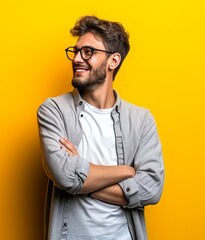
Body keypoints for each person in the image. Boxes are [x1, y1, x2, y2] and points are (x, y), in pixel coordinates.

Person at [37, 16, 164, 240]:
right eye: (75, 51)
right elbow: (65, 176)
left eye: (88, 52)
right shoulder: (54, 110)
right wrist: (126, 171)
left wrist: (82, 181)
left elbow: (152, 189)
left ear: (113, 61)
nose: (77, 58)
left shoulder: (142, 120)